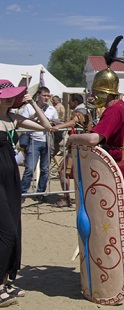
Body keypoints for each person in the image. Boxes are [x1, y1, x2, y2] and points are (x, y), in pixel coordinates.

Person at [67, 61, 124, 293]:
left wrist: (74, 138)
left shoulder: (114, 111)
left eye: (96, 92)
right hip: (122, 169)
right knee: (121, 225)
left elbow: (94, 139)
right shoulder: (123, 107)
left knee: (118, 226)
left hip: (117, 172)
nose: (94, 96)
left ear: (105, 92)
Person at [0, 80, 52, 307]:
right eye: (7, 96)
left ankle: (5, 282)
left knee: (15, 229)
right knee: (7, 232)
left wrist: (32, 103)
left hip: (11, 179)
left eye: (14, 96)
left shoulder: (14, 119)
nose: (11, 99)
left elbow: (46, 126)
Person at [50, 94, 90, 207]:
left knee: (63, 171)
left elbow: (74, 122)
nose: (69, 104)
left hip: (78, 147)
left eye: (70, 102)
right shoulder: (85, 109)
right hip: (82, 146)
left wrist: (59, 126)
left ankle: (66, 197)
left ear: (75, 102)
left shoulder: (80, 111)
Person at [20, 86, 59, 200]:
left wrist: (52, 122)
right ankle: (23, 193)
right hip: (33, 140)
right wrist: (35, 116)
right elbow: (22, 121)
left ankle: (40, 193)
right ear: (38, 95)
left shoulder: (52, 109)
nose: (46, 98)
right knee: (30, 168)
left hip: (47, 141)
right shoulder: (29, 107)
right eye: (44, 95)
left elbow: (57, 122)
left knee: (45, 170)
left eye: (48, 96)